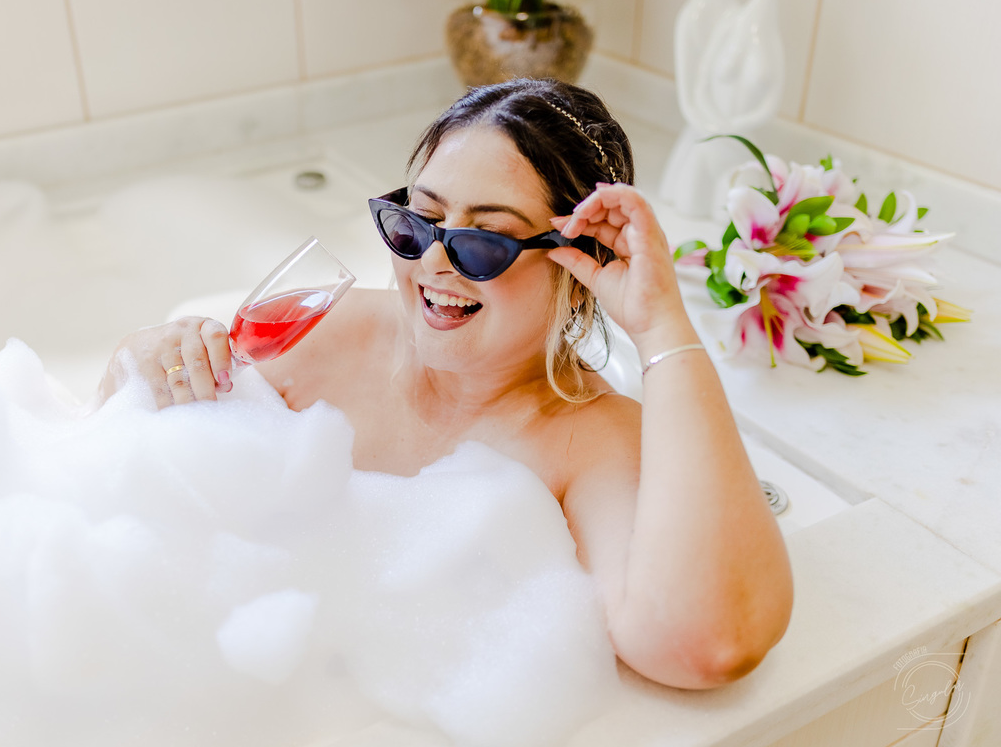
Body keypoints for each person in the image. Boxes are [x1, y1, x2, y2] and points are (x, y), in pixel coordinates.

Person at [97, 78, 794, 690]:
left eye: (484, 242)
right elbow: (111, 446)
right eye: (418, 222)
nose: (433, 262)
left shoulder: (589, 440)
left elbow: (705, 645)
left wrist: (662, 324)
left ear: (578, 266)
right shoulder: (320, 329)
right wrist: (151, 354)